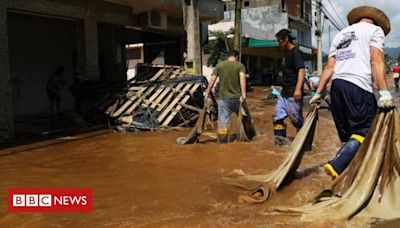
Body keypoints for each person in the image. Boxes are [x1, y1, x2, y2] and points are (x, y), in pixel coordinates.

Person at [309, 6, 395, 179]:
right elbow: (376, 61)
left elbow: (330, 67)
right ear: (376, 22)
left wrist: (318, 93)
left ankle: (349, 178)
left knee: (351, 137)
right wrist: (384, 92)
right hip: (358, 86)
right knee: (366, 130)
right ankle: (336, 166)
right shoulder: (374, 30)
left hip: (337, 88)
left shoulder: (341, 35)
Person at [204, 50, 246, 143]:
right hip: (237, 98)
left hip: (224, 99)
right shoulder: (240, 66)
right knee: (243, 119)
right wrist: (243, 95)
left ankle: (223, 144)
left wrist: (207, 93)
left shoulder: (220, 65)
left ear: (227, 56)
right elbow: (242, 80)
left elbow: (212, 80)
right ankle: (245, 139)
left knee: (223, 123)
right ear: (237, 57)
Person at [272, 29, 306, 146]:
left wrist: (298, 89)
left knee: (296, 121)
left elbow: (301, 70)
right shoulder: (286, 54)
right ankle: (280, 144)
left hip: (293, 93)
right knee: (277, 117)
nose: (278, 43)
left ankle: (303, 144)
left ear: (286, 39)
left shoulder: (296, 52)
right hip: (284, 93)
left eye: (279, 41)